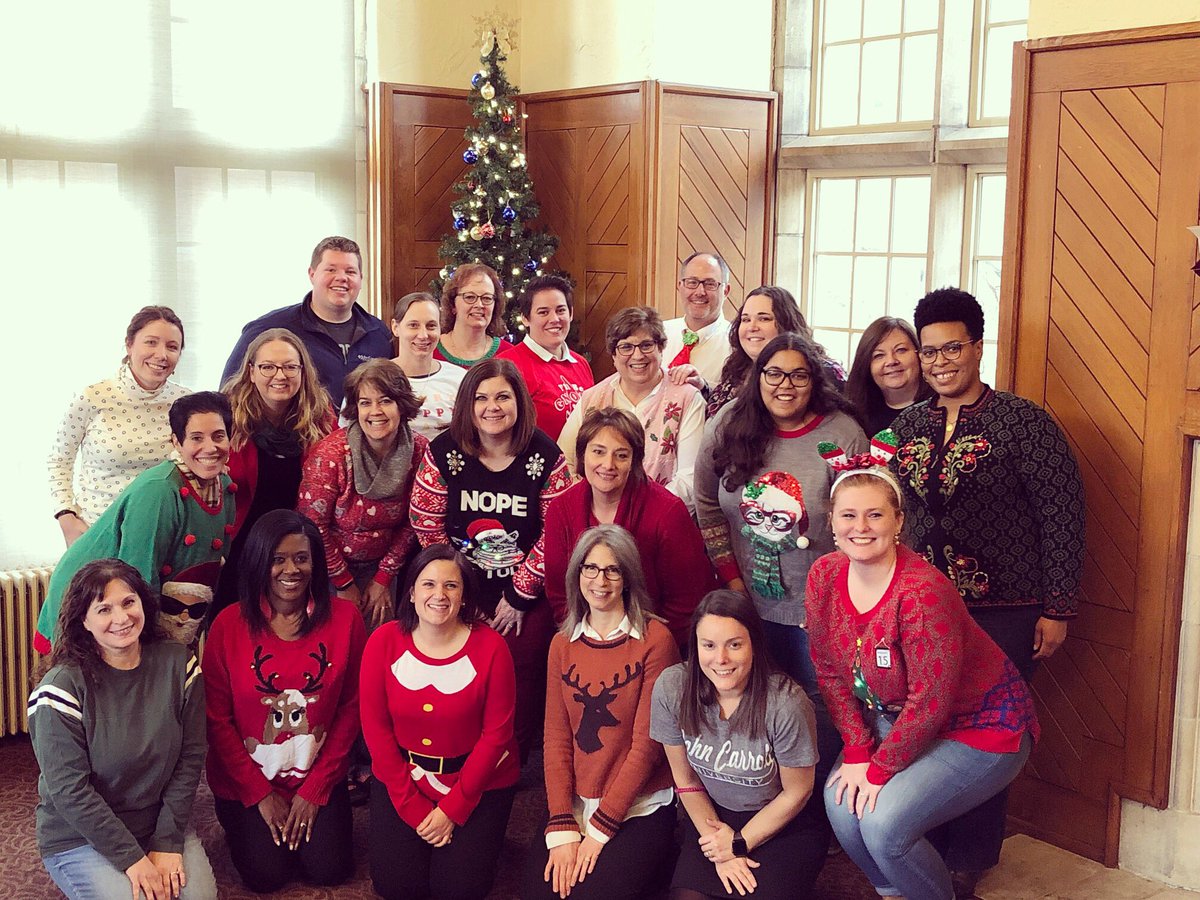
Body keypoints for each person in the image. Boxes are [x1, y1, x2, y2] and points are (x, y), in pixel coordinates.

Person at [890, 287, 1084, 895]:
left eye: (953, 348)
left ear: (978, 347)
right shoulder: (908, 425)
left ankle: (969, 861)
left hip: (1005, 609)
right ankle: (926, 839)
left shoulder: (1024, 423)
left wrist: (1056, 609)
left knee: (986, 734)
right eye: (929, 352)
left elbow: (1063, 515)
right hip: (922, 607)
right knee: (925, 722)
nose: (941, 361)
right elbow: (888, 508)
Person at [805, 447, 1039, 900]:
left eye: (875, 515)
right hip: (896, 718)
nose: (861, 527)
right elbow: (830, 672)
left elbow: (932, 701)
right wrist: (856, 750)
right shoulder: (823, 576)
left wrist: (879, 769)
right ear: (831, 522)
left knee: (884, 826)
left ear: (898, 522)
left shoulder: (921, 592)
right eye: (848, 515)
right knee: (840, 808)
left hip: (979, 727)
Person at [410, 357, 573, 756]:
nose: (492, 407)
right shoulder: (444, 450)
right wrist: (456, 594)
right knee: (452, 652)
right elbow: (425, 520)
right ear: (467, 404)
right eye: (481, 398)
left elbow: (557, 532)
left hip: (524, 588)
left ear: (519, 401)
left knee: (525, 653)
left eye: (503, 396)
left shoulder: (546, 455)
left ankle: (510, 753)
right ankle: (454, 743)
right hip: (457, 583)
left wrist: (518, 596)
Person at [29, 559, 216, 900]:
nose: (121, 618)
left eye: (129, 602)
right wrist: (132, 859)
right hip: (81, 837)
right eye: (103, 609)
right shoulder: (60, 689)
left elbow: (190, 759)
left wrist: (167, 841)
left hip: (157, 823)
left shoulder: (180, 664)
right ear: (83, 621)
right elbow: (70, 791)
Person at [203, 510, 364, 892]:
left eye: (301, 558)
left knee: (329, 869)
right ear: (260, 561)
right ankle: (244, 825)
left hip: (315, 773)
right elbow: (216, 720)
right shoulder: (228, 624)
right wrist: (259, 795)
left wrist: (315, 790)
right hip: (247, 780)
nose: (290, 570)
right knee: (266, 876)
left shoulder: (346, 619)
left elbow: (350, 708)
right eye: (278, 559)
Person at [694, 333, 865, 686]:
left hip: (821, 611)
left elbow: (861, 524)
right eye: (774, 374)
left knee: (823, 704)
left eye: (798, 375)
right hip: (745, 603)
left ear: (814, 381)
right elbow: (708, 505)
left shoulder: (843, 434)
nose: (785, 385)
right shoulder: (727, 425)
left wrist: (836, 602)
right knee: (756, 700)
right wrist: (733, 581)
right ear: (758, 378)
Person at [523, 525, 680, 900]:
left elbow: (648, 747)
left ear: (628, 578)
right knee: (539, 893)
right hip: (579, 800)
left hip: (637, 805)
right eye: (590, 568)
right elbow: (556, 740)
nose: (600, 580)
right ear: (577, 574)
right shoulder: (562, 644)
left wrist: (598, 830)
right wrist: (562, 825)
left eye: (613, 570)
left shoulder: (656, 641)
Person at [359, 544, 520, 900]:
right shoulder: (382, 642)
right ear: (412, 592)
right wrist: (412, 808)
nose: (439, 595)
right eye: (428, 584)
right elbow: (376, 730)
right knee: (397, 887)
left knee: (460, 890)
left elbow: (497, 736)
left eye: (451, 586)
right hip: (403, 779)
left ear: (464, 596)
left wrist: (453, 809)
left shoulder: (493, 648)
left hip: (477, 783)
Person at [651, 590, 825, 900]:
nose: (721, 659)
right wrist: (720, 847)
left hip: (782, 821)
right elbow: (685, 778)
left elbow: (798, 792)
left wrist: (739, 844)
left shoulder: (787, 703)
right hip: (711, 817)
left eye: (734, 644)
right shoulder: (672, 687)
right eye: (709, 645)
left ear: (754, 646)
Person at [36, 392, 237, 654]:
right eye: (196, 438)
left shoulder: (225, 487)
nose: (210, 447)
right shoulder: (159, 491)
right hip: (99, 603)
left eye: (218, 436)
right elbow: (138, 577)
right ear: (176, 442)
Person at [539, 407, 716, 649]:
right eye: (598, 452)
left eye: (621, 455)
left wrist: (649, 648)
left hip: (654, 643)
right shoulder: (561, 508)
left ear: (635, 461)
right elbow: (560, 593)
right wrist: (587, 643)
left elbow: (686, 602)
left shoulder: (667, 512)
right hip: (583, 639)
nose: (607, 464)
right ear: (582, 455)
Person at [213, 327, 335, 619]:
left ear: (303, 371)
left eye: (290, 367)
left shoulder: (323, 418)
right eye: (268, 367)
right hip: (238, 546)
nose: (280, 376)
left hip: (298, 550)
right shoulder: (226, 417)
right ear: (251, 371)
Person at [297, 358, 427, 630]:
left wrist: (383, 578)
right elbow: (311, 526)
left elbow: (415, 521)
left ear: (402, 405)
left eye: (385, 401)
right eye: (365, 403)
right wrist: (343, 583)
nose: (375, 411)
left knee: (381, 641)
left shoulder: (419, 451)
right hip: (328, 566)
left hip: (387, 567)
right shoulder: (331, 454)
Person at [49, 305, 191, 547]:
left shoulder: (186, 403)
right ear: (129, 344)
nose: (161, 354)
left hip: (162, 535)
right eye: (151, 342)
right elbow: (59, 460)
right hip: (97, 533)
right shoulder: (94, 396)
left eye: (172, 347)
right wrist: (66, 516)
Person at [558, 307, 706, 508]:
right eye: (626, 347)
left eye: (646, 345)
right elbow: (563, 462)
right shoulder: (592, 399)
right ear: (613, 355)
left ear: (661, 349)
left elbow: (689, 478)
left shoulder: (687, 398)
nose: (637, 356)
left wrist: (639, 513)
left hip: (659, 520)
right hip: (597, 521)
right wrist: (595, 507)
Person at [220, 236, 392, 408]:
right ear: (312, 274)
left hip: (365, 432)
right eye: (331, 270)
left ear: (361, 278)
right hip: (295, 434)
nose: (342, 278)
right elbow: (229, 394)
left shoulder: (379, 333)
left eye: (350, 271)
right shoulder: (268, 328)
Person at [705, 287, 845, 418]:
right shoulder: (738, 368)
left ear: (787, 323)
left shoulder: (825, 372)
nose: (752, 327)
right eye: (746, 319)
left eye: (764, 318)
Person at [498, 274, 594, 440]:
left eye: (561, 310)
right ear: (525, 318)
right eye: (543, 312)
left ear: (570, 314)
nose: (554, 319)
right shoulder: (506, 366)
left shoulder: (581, 363)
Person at [391, 290, 466, 441]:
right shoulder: (372, 378)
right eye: (413, 325)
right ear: (395, 328)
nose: (423, 335)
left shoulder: (461, 379)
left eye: (431, 326)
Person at [845, 316, 933, 435]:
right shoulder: (855, 417)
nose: (891, 361)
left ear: (920, 353)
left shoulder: (940, 407)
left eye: (901, 350)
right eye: (878, 356)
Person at [662, 252, 733, 388]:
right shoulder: (658, 334)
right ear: (680, 286)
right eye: (692, 283)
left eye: (710, 284)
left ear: (726, 291)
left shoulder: (736, 345)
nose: (700, 292)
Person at [434, 263, 511, 367]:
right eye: (470, 297)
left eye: (487, 298)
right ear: (453, 304)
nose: (479, 305)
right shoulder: (430, 350)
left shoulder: (508, 354)